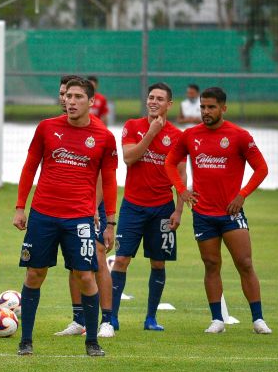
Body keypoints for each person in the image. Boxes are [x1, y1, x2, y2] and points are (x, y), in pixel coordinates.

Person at [13, 77, 118, 357]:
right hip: (43, 215)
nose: (71, 101)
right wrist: (20, 206)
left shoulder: (104, 137)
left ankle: (92, 341)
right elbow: (30, 166)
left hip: (79, 219)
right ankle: (25, 341)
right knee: (34, 273)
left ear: (91, 101)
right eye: (68, 96)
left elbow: (109, 180)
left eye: (77, 97)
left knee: (85, 275)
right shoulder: (46, 128)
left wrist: (110, 222)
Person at [165, 86, 271, 334]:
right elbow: (170, 162)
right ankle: (217, 320)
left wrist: (242, 195)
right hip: (203, 214)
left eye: (211, 107)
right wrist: (181, 190)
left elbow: (262, 168)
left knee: (244, 263)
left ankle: (258, 319)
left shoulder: (239, 136)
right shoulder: (190, 135)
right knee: (211, 265)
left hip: (231, 214)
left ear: (223, 108)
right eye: (203, 107)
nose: (206, 111)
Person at [110, 82, 185, 331]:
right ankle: (111, 318)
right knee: (121, 260)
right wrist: (151, 133)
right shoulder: (133, 126)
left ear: (169, 104)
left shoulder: (177, 136)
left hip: (163, 208)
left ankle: (151, 318)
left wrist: (178, 209)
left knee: (158, 263)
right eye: (151, 97)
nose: (154, 102)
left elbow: (181, 175)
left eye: (160, 99)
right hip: (132, 207)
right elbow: (129, 158)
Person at [54, 75, 115, 340]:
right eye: (62, 94)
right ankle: (79, 320)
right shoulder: (57, 127)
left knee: (98, 258)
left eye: (70, 94)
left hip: (92, 205)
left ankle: (107, 320)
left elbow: (102, 175)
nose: (65, 99)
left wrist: (94, 207)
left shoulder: (96, 129)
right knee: (74, 262)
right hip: (68, 206)